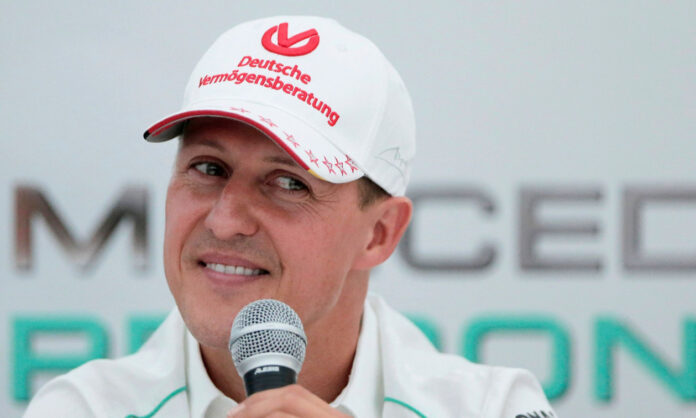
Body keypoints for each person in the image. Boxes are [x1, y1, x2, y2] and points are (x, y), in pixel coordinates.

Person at [24, 16, 555, 417]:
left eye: (288, 183)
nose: (225, 221)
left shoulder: (495, 407)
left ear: (378, 233)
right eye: (208, 168)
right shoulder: (79, 408)